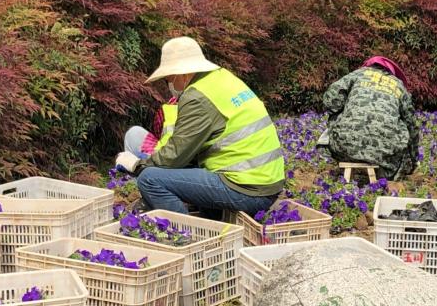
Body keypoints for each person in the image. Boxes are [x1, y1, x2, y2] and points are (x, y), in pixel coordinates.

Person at [115, 37, 285, 217]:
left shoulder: (197, 97)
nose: (169, 84)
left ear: (182, 74)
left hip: (247, 190)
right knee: (180, 171)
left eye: (168, 78)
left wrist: (137, 166)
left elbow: (175, 157)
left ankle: (187, 234)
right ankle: (209, 217)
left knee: (149, 179)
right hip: (265, 182)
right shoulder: (222, 78)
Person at [322, 56, 419, 181]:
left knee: (336, 114)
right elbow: (411, 124)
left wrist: (344, 109)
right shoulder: (399, 86)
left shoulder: (358, 74)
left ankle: (345, 154)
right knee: (403, 126)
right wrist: (413, 158)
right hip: (384, 155)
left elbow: (329, 101)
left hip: (345, 147)